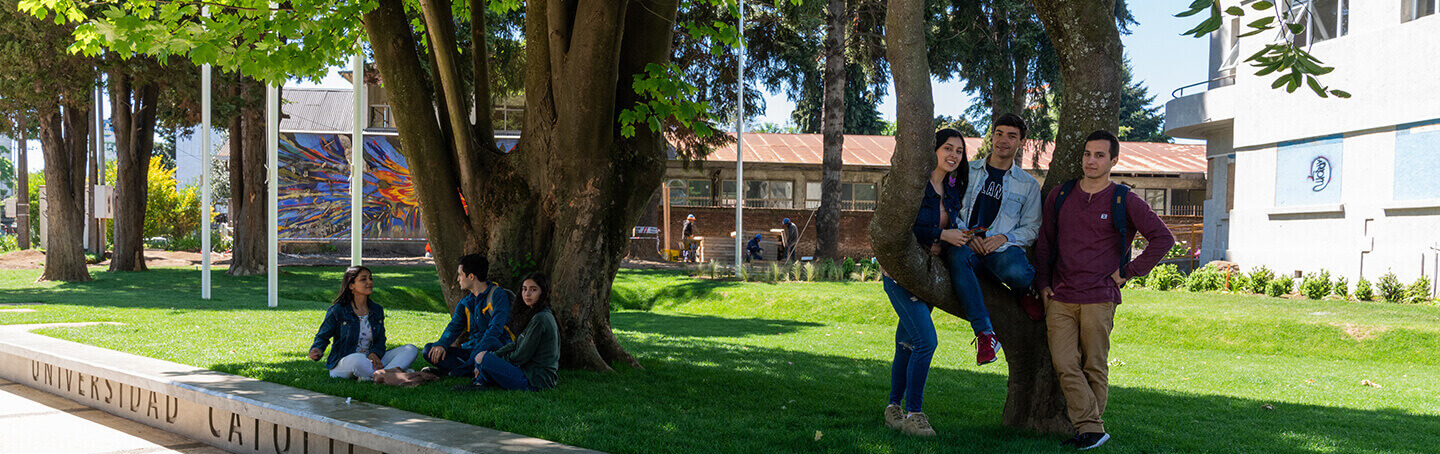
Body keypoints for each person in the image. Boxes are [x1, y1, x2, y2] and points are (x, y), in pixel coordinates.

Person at [1034, 130, 1174, 450]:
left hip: (1100, 296)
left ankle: (1088, 431)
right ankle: (1094, 428)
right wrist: (1043, 283)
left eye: (1099, 155)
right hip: (1060, 296)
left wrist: (1129, 272)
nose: (1091, 161)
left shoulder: (1123, 198)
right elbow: (1045, 243)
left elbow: (1162, 238)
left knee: (1093, 366)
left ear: (1114, 160)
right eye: (1087, 154)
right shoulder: (1061, 195)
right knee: (1064, 363)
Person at [881, 128, 973, 437]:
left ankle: (894, 408)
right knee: (926, 342)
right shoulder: (914, 185)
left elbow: (949, 224)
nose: (953, 155)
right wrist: (941, 234)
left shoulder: (952, 187)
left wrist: (957, 236)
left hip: (930, 274)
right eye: (948, 148)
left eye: (959, 151)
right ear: (932, 150)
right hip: (902, 273)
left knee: (907, 344)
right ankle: (915, 414)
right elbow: (898, 226)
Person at [944, 113, 1045, 366]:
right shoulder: (966, 170)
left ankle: (1024, 291)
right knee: (956, 256)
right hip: (967, 248)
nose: (1003, 140)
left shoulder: (1028, 184)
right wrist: (966, 238)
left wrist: (1003, 237)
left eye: (1011, 136)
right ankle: (985, 334)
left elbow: (1032, 227)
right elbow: (950, 209)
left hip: (1000, 251)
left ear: (1021, 142)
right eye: (999, 133)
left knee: (1020, 272)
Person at [309, 266, 420, 381]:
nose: (369, 282)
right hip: (347, 362)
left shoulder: (376, 310)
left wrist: (375, 353)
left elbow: (380, 340)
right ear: (351, 285)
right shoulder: (337, 310)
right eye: (363, 279)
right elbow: (323, 336)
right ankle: (393, 373)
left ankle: (382, 375)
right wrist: (317, 349)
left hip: (372, 360)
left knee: (410, 349)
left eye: (370, 279)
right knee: (358, 360)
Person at [452, 273, 560, 391]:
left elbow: (521, 356)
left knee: (484, 357)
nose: (527, 294)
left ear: (543, 292)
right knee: (485, 356)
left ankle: (480, 382)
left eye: (533, 290)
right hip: (529, 373)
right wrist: (494, 356)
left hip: (535, 382)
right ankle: (479, 385)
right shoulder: (535, 314)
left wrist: (491, 361)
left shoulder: (541, 318)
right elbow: (516, 344)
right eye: (524, 289)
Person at [423, 254, 514, 377]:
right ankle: (468, 369)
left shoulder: (498, 295)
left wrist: (476, 354)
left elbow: (495, 330)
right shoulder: (466, 302)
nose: (458, 279)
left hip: (493, 350)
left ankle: (459, 371)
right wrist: (442, 343)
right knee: (429, 350)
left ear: (471, 276)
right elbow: (454, 327)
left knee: (491, 341)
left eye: (460, 275)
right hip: (470, 351)